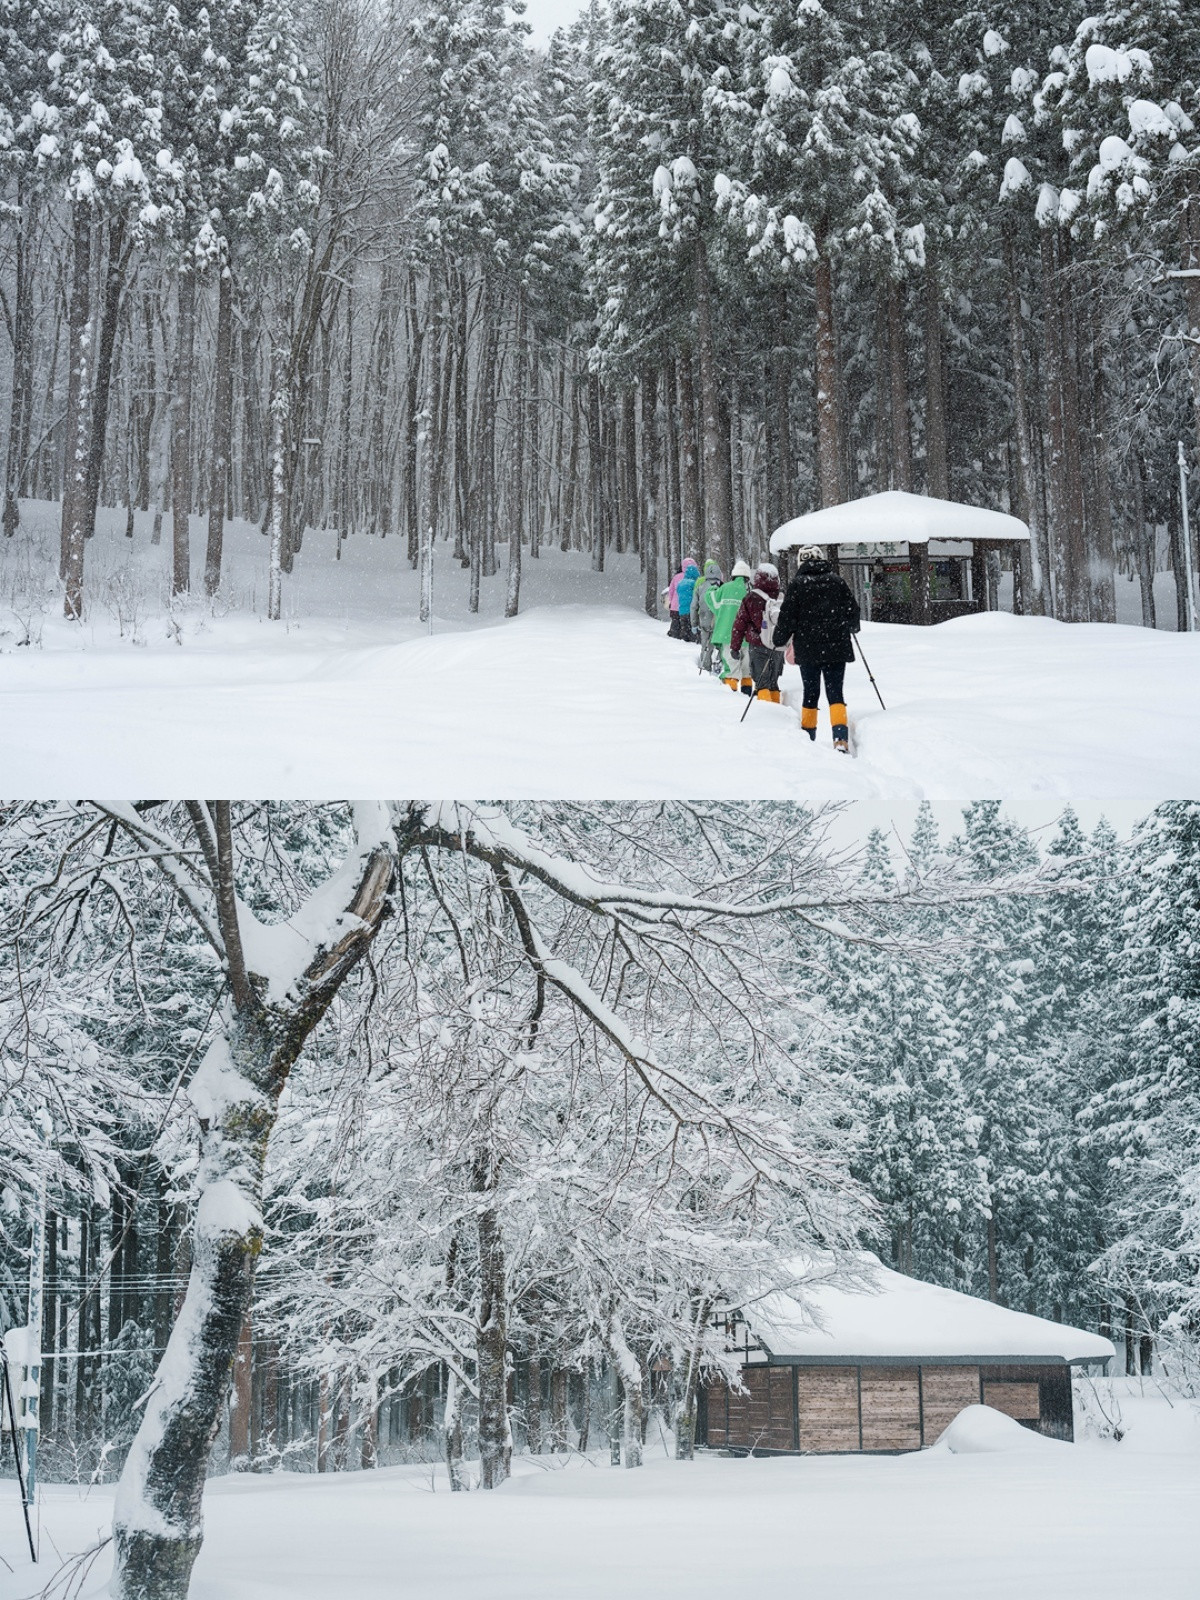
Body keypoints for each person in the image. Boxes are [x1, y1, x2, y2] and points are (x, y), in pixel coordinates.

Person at [773, 543, 861, 752]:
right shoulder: (837, 582)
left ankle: (808, 737)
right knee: (836, 693)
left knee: (811, 693)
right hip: (836, 647)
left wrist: (779, 638)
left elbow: (787, 618)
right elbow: (853, 612)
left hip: (808, 648)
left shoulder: (798, 585)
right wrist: (850, 626)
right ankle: (840, 738)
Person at [731, 563, 785, 702]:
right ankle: (776, 709)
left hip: (758, 644)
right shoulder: (781, 597)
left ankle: (765, 713)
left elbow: (740, 623)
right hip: (777, 645)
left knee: (762, 683)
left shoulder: (751, 598)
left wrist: (735, 647)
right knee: (773, 682)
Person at [707, 560, 752, 689]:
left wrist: (714, 587)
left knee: (731, 668)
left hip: (727, 635)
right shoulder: (750, 591)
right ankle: (746, 693)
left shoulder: (725, 588)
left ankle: (731, 695)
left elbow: (711, 599)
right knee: (746, 670)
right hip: (747, 637)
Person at [690, 559, 724, 673]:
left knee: (706, 647)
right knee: (722, 646)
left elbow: (694, 606)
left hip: (704, 620)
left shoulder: (700, 585)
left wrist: (694, 623)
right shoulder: (723, 586)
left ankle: (705, 668)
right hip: (719, 621)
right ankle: (721, 664)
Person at [664, 556, 698, 639]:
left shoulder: (676, 577)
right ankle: (686, 636)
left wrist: (671, 602)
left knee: (675, 622)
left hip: (675, 606)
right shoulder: (694, 578)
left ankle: (674, 634)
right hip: (688, 607)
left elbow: (671, 591)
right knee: (686, 624)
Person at [674, 557, 701, 643]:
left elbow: (678, 593)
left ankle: (684, 641)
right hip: (691, 610)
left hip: (682, 610)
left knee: (684, 628)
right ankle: (693, 642)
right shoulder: (694, 583)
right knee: (692, 629)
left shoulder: (680, 583)